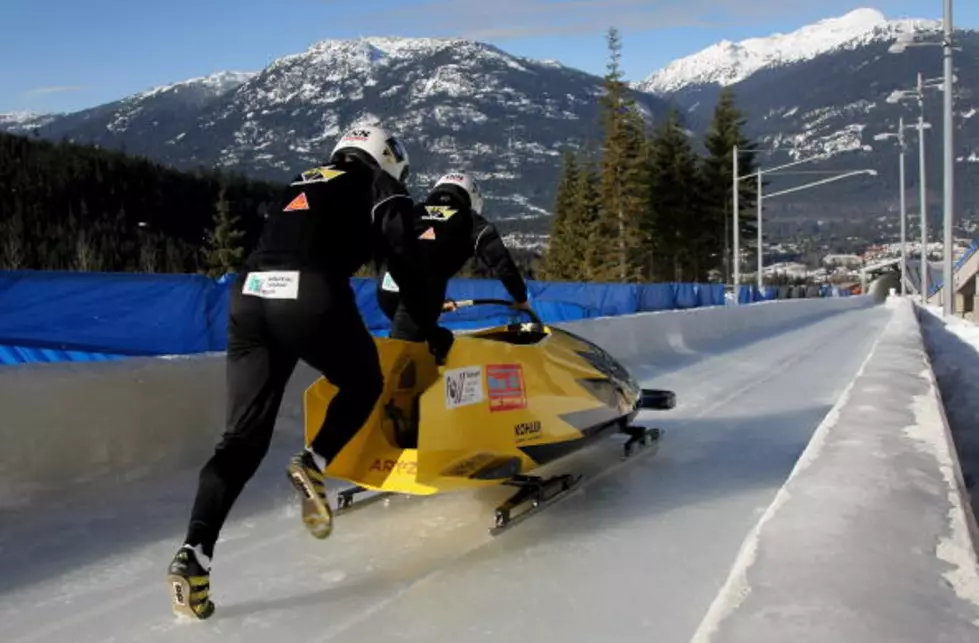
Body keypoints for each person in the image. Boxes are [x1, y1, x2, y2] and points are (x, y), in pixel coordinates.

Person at [165, 125, 453, 620]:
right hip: (309, 292)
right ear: (386, 155)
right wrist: (428, 325)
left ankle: (195, 551)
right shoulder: (381, 186)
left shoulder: (303, 177)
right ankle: (314, 461)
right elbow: (404, 261)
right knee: (363, 381)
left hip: (250, 294)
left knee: (239, 440)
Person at [376, 171, 530, 340]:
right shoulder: (472, 221)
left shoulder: (413, 210)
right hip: (421, 292)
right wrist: (520, 297)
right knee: (404, 350)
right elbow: (502, 262)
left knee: (421, 336)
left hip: (387, 285)